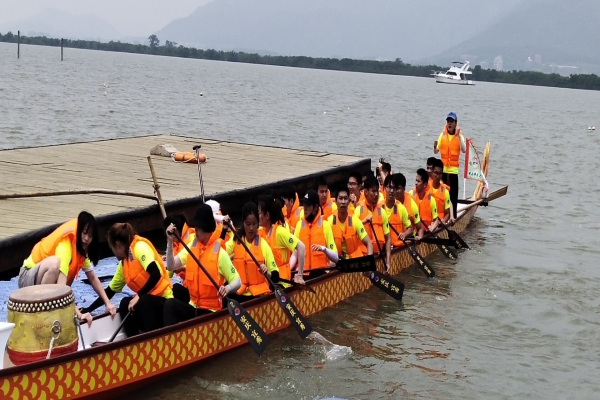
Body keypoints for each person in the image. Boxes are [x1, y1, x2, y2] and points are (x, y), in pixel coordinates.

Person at [19, 211, 115, 325]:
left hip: (42, 283)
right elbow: (61, 288)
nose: (86, 239)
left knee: (68, 274)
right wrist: (79, 314)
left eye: (90, 236)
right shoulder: (65, 246)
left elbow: (92, 277)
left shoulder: (80, 250)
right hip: (27, 279)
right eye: (84, 233)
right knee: (55, 264)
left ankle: (50, 307)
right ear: (78, 230)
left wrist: (107, 303)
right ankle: (42, 311)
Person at [85, 223, 173, 337]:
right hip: (148, 306)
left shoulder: (139, 247)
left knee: (143, 300)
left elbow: (155, 274)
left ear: (117, 245)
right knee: (125, 303)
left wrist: (138, 296)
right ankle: (134, 340)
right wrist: (88, 309)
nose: (113, 252)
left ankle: (155, 340)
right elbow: (109, 291)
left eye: (112, 248)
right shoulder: (124, 263)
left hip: (164, 302)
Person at [163, 205, 241, 325]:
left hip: (210, 312)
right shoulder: (192, 247)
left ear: (207, 229)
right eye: (195, 227)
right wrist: (169, 241)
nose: (195, 231)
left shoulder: (220, 254)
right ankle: (172, 335)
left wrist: (227, 288)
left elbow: (237, 281)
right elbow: (171, 266)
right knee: (170, 304)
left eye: (198, 228)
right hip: (193, 306)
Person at [226, 202, 279, 301]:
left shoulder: (263, 245)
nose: (251, 228)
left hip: (257, 297)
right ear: (243, 223)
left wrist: (267, 272)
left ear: (258, 224)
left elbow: (276, 276)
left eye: (254, 224)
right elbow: (220, 255)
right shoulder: (236, 240)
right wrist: (223, 230)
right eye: (248, 224)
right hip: (239, 293)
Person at [258, 194, 307, 285]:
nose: (258, 215)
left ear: (267, 215)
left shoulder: (279, 232)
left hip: (282, 284)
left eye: (259, 212)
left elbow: (301, 247)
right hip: (268, 283)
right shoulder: (261, 232)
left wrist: (300, 275)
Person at [295, 189, 339, 278]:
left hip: (320, 277)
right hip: (303, 275)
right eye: (304, 205)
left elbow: (335, 256)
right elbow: (294, 253)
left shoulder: (325, 225)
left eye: (308, 205)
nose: (305, 209)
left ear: (315, 207)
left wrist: (324, 249)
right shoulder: (299, 225)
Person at [355, 176, 391, 272]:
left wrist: (388, 262)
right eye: (373, 191)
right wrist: (363, 222)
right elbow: (352, 232)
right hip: (362, 256)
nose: (376, 194)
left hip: (378, 255)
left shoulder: (382, 212)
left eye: (377, 191)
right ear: (366, 192)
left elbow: (388, 239)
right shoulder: (358, 210)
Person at [434, 111, 466, 217]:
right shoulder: (442, 135)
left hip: (453, 172)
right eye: (448, 121)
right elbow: (436, 151)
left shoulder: (459, 136)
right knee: (442, 196)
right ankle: (443, 217)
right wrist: (434, 146)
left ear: (456, 123)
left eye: (452, 121)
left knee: (453, 197)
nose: (450, 123)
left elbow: (464, 149)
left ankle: (453, 218)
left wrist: (459, 135)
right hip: (442, 172)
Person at [328, 186, 373, 259]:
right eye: (340, 198)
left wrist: (369, 261)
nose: (343, 202)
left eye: (345, 198)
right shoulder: (329, 221)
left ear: (349, 201)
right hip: (338, 262)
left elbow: (369, 243)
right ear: (336, 201)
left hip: (354, 262)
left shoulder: (355, 220)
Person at [382, 175, 413, 247]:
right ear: (384, 188)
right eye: (389, 187)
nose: (391, 191)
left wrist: (404, 234)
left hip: (397, 246)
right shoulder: (379, 207)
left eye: (394, 188)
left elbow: (410, 229)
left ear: (396, 190)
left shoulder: (401, 208)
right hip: (383, 247)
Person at [393, 172, 424, 239]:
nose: (396, 191)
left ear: (404, 189)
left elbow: (420, 228)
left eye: (398, 188)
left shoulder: (412, 205)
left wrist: (419, 237)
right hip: (394, 239)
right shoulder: (388, 203)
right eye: (394, 188)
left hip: (409, 238)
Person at [410, 169, 439, 237]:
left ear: (425, 185)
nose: (416, 183)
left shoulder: (431, 200)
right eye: (416, 180)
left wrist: (432, 228)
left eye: (418, 181)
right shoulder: (410, 195)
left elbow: (436, 220)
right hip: (413, 234)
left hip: (426, 233)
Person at [430, 158, 454, 225]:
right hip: (427, 223)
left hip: (439, 224)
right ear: (432, 172)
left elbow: (447, 213)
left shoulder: (445, 192)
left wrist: (444, 220)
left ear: (442, 174)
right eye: (435, 173)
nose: (437, 176)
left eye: (440, 173)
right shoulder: (425, 188)